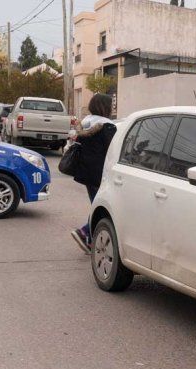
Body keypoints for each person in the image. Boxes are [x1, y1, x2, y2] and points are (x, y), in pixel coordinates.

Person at [69, 94, 117, 253]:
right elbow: (113, 150)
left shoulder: (85, 122)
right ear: (105, 107)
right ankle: (84, 232)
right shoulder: (107, 126)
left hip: (86, 171)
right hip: (100, 173)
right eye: (111, 106)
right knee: (102, 207)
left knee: (97, 204)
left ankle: (89, 240)